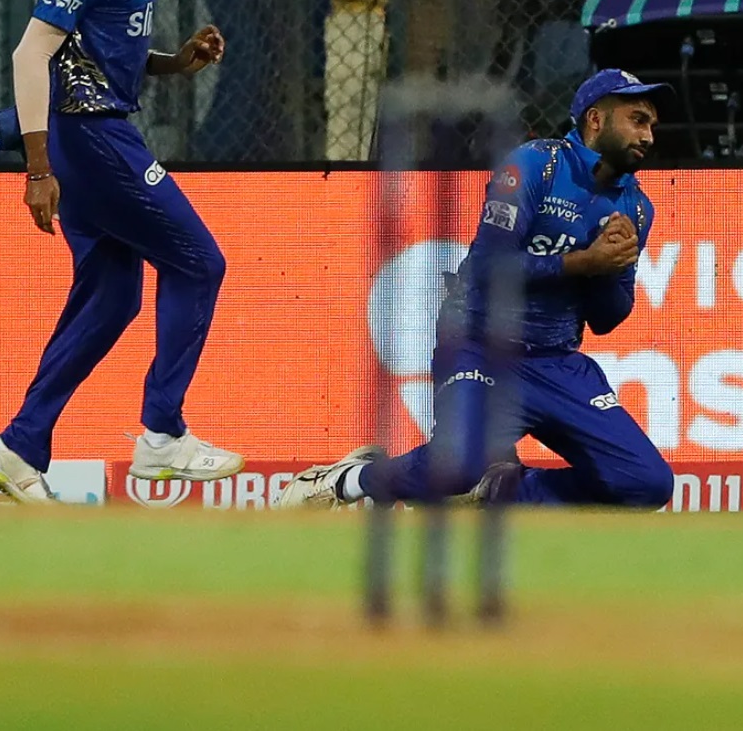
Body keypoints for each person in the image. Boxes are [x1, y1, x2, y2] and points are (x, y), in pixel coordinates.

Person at [0, 0, 242, 503]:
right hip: (90, 141)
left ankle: (18, 444)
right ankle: (162, 433)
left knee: (115, 295)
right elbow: (31, 54)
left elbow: (94, 53)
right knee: (199, 262)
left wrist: (176, 63)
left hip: (86, 136)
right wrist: (38, 171)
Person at [279, 69, 676, 510]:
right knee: (454, 468)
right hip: (479, 345)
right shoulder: (535, 165)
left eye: (652, 126)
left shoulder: (636, 207)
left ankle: (499, 492)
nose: (648, 136)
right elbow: (490, 265)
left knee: (648, 484)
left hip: (556, 362)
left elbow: (607, 319)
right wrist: (586, 261)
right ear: (596, 120)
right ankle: (347, 481)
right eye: (638, 120)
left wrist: (607, 269)